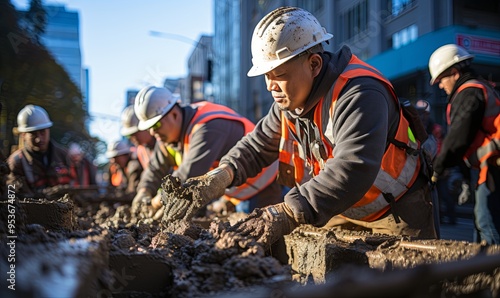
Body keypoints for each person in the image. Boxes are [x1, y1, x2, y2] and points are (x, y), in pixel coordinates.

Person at [163, 6, 437, 250]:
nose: (270, 86)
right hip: (340, 211)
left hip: (396, 212)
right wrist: (220, 176)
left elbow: (353, 167)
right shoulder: (289, 104)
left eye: (278, 75)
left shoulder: (360, 93)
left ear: (314, 64)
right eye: (266, 76)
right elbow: (257, 146)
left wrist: (288, 211)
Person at [131, 85, 283, 216]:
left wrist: (157, 203)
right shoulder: (166, 138)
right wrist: (144, 191)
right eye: (149, 128)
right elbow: (154, 169)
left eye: (156, 125)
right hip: (239, 191)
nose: (152, 133)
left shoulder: (208, 126)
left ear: (174, 114)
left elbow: (188, 175)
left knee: (263, 242)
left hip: (267, 185)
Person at [428, 44, 500, 244]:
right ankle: (481, 269)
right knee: (481, 223)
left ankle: (493, 270)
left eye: (441, 79)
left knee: (488, 224)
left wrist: (437, 169)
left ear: (454, 72)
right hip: (489, 167)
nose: (441, 86)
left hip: (491, 168)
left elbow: (458, 137)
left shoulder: (469, 92)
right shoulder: (480, 88)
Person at [7, 104, 73, 198]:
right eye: (33, 134)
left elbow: (75, 186)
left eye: (42, 132)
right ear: (23, 135)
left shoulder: (63, 156)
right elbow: (11, 200)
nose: (39, 139)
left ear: (48, 130)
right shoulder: (16, 162)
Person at [120, 105, 156, 170]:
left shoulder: (164, 142)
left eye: (134, 134)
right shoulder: (141, 150)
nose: (131, 138)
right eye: (129, 135)